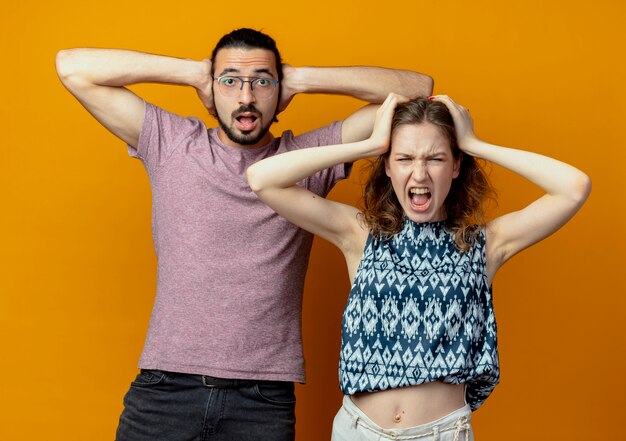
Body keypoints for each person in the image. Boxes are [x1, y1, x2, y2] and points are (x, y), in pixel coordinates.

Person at [55, 28, 433, 441]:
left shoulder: (306, 159)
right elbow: (72, 67)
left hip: (262, 399)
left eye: (262, 82)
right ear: (212, 90)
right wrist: (194, 73)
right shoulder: (172, 143)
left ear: (280, 91)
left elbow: (417, 90)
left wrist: (302, 79)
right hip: (165, 389)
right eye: (230, 81)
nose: (246, 97)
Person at [247, 93, 591, 440]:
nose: (420, 172)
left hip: (440, 433)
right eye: (404, 158)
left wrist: (474, 143)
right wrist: (371, 144)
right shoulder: (361, 235)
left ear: (456, 166)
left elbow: (573, 188)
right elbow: (263, 178)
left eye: (436, 158)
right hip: (357, 430)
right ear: (387, 166)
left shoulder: (484, 244)